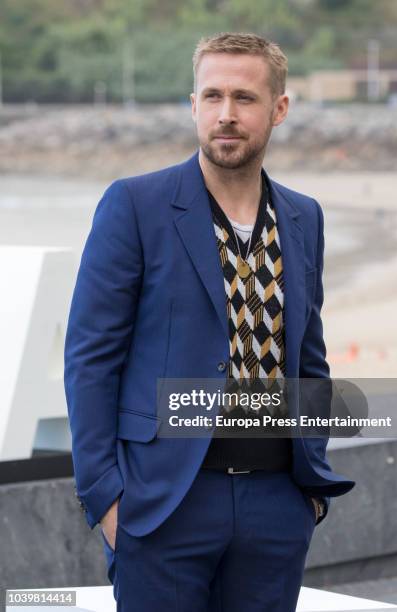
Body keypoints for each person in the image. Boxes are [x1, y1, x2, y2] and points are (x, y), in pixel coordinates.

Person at [64, 32, 355, 612]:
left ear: (279, 109)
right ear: (193, 105)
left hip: (276, 504)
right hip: (164, 504)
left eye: (245, 99)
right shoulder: (135, 205)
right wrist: (107, 498)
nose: (227, 115)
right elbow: (91, 358)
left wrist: (310, 489)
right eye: (213, 96)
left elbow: (309, 357)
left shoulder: (304, 216)